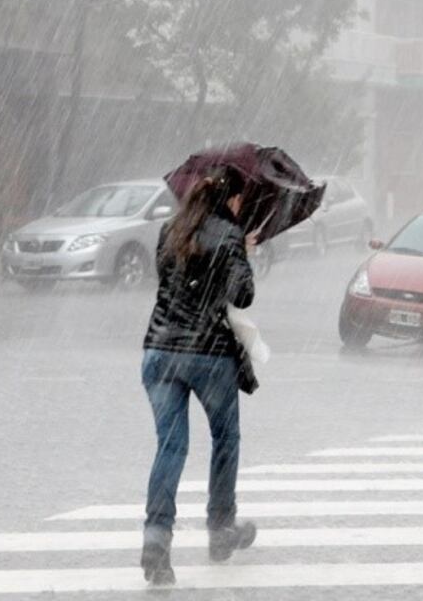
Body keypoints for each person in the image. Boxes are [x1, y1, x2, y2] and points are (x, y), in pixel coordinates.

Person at [140, 166, 258, 585]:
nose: (242, 206)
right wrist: (243, 250)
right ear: (231, 199)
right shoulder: (229, 235)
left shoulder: (170, 230)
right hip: (208, 355)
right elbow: (242, 295)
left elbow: (170, 282)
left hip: (159, 351)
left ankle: (156, 539)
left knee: (170, 448)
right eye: (241, 200)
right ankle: (221, 529)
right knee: (225, 438)